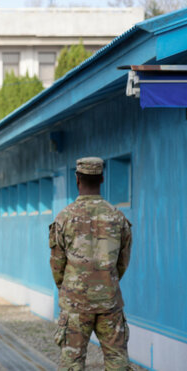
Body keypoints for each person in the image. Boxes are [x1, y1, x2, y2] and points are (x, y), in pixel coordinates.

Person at [49, 157, 133, 370]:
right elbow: (122, 262)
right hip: (109, 302)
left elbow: (57, 265)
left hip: (75, 304)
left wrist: (68, 289)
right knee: (118, 363)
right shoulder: (117, 217)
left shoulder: (64, 218)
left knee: (72, 364)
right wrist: (106, 281)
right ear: (102, 178)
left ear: (77, 179)